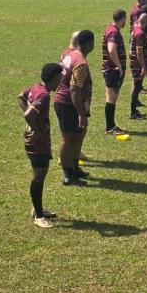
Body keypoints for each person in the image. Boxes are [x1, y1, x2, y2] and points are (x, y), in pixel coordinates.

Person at [18, 63, 63, 228]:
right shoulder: (44, 96)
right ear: (52, 78)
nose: (60, 82)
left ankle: (37, 208)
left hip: (33, 139)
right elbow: (29, 115)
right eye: (59, 78)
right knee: (39, 177)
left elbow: (20, 97)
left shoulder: (35, 88)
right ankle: (38, 216)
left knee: (39, 176)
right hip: (38, 143)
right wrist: (37, 131)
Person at [54, 29, 94, 186]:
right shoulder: (80, 62)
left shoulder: (71, 54)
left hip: (67, 102)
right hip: (68, 103)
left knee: (78, 135)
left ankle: (75, 168)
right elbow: (74, 89)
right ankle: (67, 174)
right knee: (68, 138)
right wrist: (81, 114)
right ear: (90, 44)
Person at [102, 9, 127, 135]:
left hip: (110, 69)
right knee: (111, 98)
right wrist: (119, 66)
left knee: (112, 98)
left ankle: (111, 125)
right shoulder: (113, 32)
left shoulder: (111, 29)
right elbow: (111, 50)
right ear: (122, 19)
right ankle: (110, 127)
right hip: (112, 70)